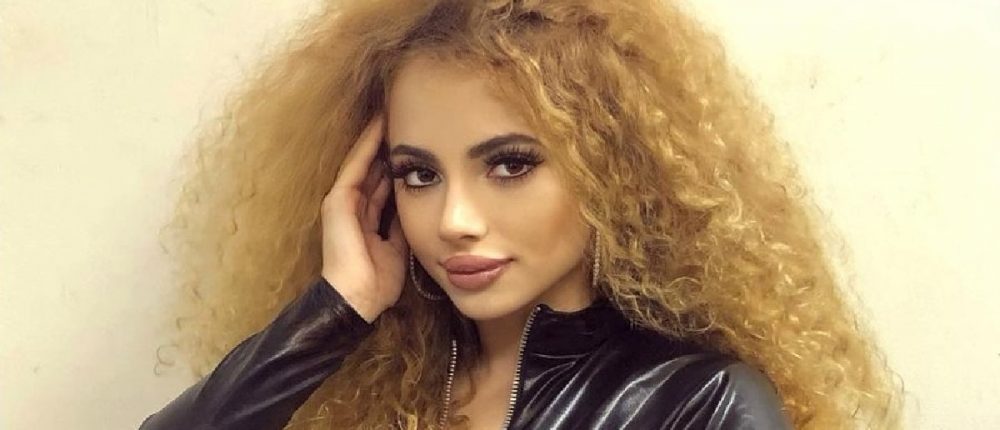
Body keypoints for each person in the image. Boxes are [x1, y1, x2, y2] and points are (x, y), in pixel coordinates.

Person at [141, 0, 904, 428]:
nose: (455, 219)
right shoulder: (369, 391)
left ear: (612, 169)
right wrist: (336, 309)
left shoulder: (699, 403)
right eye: (418, 174)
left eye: (510, 164)